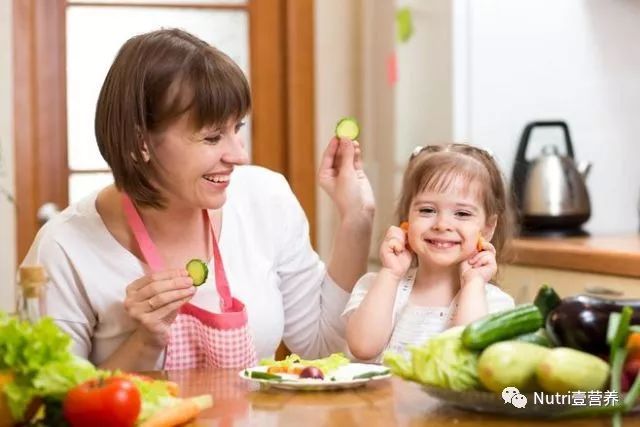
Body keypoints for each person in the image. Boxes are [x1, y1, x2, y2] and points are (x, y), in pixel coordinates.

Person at [20, 28, 375, 371]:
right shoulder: (64, 246)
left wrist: (356, 218)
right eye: (211, 137)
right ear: (140, 141)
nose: (239, 155)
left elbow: (322, 345)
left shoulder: (266, 199)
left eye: (238, 129)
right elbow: (52, 407)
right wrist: (145, 341)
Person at [343, 143, 515, 362]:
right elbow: (362, 347)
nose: (442, 224)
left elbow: (467, 359)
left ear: (488, 228)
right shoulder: (377, 286)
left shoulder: (493, 303)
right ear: (408, 219)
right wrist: (391, 274)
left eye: (462, 213)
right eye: (427, 210)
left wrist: (473, 284)